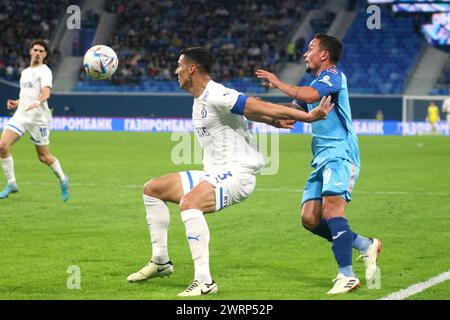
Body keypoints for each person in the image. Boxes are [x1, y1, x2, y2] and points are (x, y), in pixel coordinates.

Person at [126, 47, 334, 296]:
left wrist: (306, 117)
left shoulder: (215, 93)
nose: (176, 71)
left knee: (189, 204)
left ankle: (205, 282)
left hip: (238, 174)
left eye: (179, 66)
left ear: (192, 68)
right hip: (213, 171)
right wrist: (272, 121)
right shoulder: (201, 99)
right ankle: (160, 262)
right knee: (153, 189)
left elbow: (256, 104)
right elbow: (247, 112)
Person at [255, 33, 381, 294]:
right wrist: (258, 109)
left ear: (324, 55)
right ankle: (364, 244)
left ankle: (346, 275)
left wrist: (278, 82)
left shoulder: (333, 76)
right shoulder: (316, 84)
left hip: (340, 153)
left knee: (333, 212)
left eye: (310, 48)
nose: (305, 54)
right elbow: (293, 109)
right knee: (310, 219)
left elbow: (309, 95)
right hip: (320, 157)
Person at [0, 40, 70, 201]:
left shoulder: (45, 71)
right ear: (30, 52)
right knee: (3, 146)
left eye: (41, 51)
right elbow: (26, 94)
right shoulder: (25, 72)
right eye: (35, 50)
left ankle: (63, 179)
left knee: (44, 157)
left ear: (45, 55)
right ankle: (11, 184)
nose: (38, 53)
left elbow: (46, 93)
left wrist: (37, 102)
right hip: (21, 116)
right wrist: (16, 103)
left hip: (38, 119)